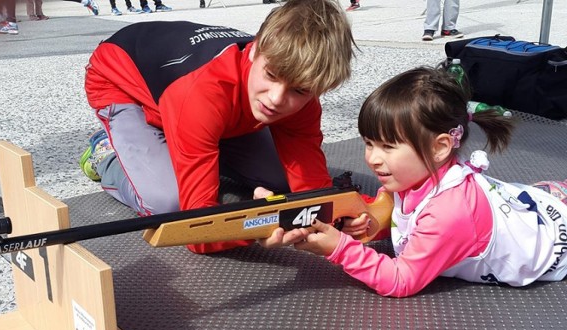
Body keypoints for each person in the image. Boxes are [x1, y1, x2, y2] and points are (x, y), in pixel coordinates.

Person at [79, 0, 361, 254]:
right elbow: (196, 230)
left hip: (198, 105)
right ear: (255, 51)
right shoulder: (203, 93)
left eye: (299, 91)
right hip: (123, 83)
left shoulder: (295, 87)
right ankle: (106, 154)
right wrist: (261, 226)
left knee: (282, 182)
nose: (276, 99)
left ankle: (200, 139)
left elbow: (314, 192)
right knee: (168, 204)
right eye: (271, 75)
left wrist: (346, 219)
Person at [260, 66, 567, 297]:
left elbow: (402, 280)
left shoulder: (449, 211)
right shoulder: (412, 178)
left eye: (388, 146)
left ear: (440, 147)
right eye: (369, 143)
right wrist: (369, 225)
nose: (373, 158)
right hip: (532, 205)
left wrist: (340, 248)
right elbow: (400, 217)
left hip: (554, 244)